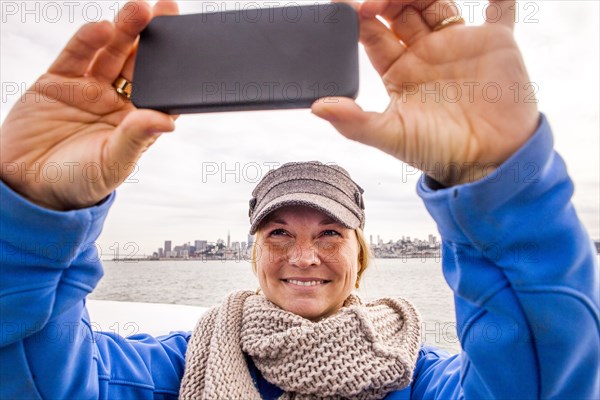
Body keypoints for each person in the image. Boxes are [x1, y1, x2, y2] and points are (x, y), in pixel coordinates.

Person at [0, 0, 598, 398]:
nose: (303, 256)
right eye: (278, 233)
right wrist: (32, 214)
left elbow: (542, 373)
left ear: (360, 255)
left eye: (330, 233)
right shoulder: (175, 367)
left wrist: (498, 183)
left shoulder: (418, 377)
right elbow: (36, 373)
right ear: (254, 253)